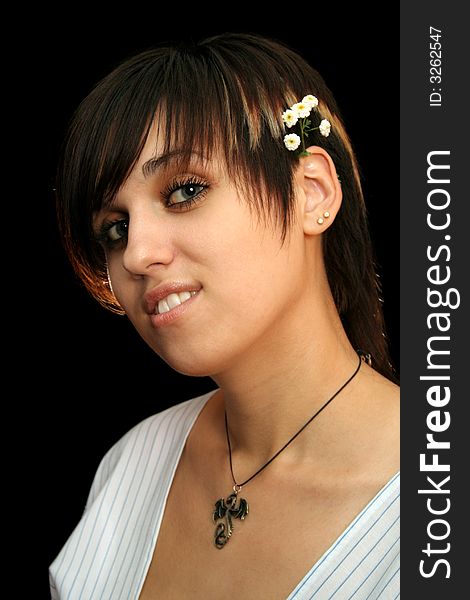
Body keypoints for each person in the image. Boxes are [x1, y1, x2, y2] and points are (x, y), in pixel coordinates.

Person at [49, 33, 399, 599]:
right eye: (115, 228)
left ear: (312, 192)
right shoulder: (133, 465)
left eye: (184, 191)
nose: (136, 254)